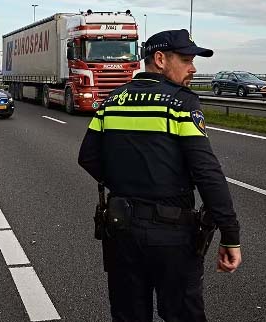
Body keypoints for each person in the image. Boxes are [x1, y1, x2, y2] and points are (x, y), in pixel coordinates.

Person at [78, 29, 241, 322]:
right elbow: (206, 172)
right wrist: (230, 235)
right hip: (171, 234)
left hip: (121, 231)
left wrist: (126, 183)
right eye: (186, 60)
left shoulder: (113, 100)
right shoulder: (181, 103)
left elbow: (88, 157)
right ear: (160, 59)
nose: (193, 68)